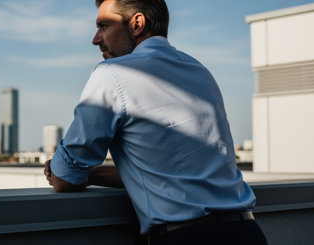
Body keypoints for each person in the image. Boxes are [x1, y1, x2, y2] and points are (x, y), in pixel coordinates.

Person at [44, 0, 268, 244]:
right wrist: (93, 175)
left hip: (187, 238)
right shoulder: (200, 72)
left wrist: (71, 172)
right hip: (248, 232)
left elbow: (64, 179)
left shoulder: (112, 73)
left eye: (104, 26)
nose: (96, 39)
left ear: (137, 24)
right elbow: (167, 174)